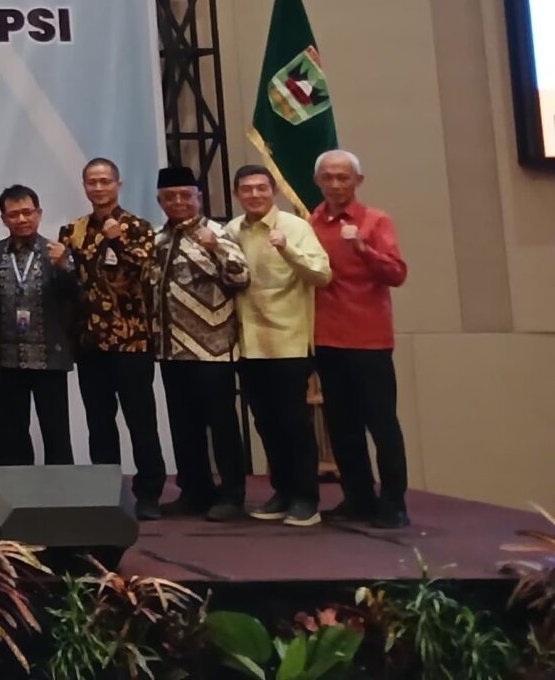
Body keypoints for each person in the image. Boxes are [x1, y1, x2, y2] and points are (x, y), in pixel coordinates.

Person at [307, 150, 411, 529]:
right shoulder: (311, 222)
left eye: (343, 177)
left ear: (358, 181)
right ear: (317, 181)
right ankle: (358, 497)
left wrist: (363, 250)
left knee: (381, 424)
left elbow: (397, 274)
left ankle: (394, 503)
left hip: (369, 339)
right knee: (342, 425)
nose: (335, 184)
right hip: (327, 337)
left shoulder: (375, 220)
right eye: (328, 177)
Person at [62, 157, 167, 521]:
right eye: (92, 182)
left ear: (118, 185)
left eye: (105, 181)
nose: (98, 187)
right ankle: (106, 492)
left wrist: (117, 241)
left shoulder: (137, 227)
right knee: (99, 422)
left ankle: (149, 493)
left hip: (132, 341)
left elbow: (145, 272)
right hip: (91, 343)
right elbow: (71, 284)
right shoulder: (73, 231)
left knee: (141, 420)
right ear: (84, 187)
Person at [227, 163, 330, 528]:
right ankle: (282, 492)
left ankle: (306, 499)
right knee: (266, 423)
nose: (254, 194)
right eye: (247, 189)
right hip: (248, 343)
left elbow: (322, 274)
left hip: (288, 342)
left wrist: (288, 251)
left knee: (293, 423)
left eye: (261, 188)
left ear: (274, 191)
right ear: (237, 194)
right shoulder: (232, 230)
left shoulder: (295, 227)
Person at [151, 164, 250, 522]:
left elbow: (241, 278)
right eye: (170, 197)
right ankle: (194, 491)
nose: (178, 202)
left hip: (213, 348)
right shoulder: (157, 239)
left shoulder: (218, 233)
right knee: (183, 426)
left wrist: (216, 249)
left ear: (198, 198)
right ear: (160, 201)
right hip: (171, 349)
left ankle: (232, 494)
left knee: (221, 425)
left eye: (185, 195)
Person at [0, 184, 76, 466]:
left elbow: (75, 298)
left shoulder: (58, 252)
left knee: (57, 434)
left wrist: (64, 268)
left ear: (39, 213)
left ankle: (60, 488)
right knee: (12, 435)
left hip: (49, 358)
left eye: (27, 212)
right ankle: (19, 490)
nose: (22, 219)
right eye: (14, 214)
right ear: (3, 219)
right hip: (6, 360)